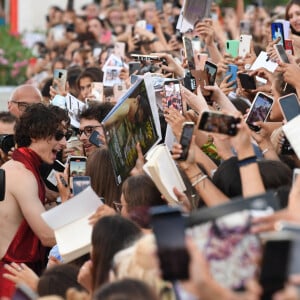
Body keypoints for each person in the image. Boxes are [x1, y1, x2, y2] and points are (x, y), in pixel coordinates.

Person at [0, 103, 69, 297]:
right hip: (12, 280)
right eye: (57, 136)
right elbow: (47, 236)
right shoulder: (21, 174)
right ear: (35, 135)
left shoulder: (24, 169)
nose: (63, 143)